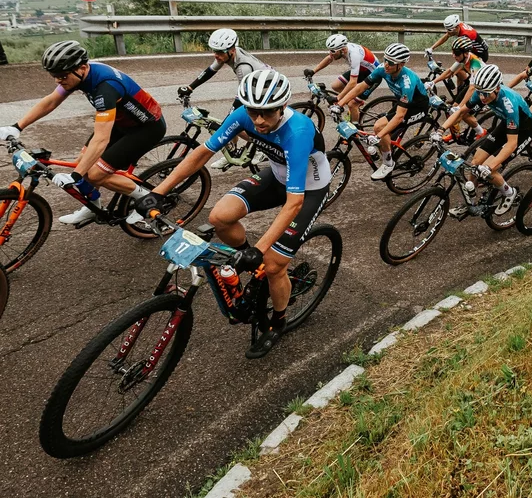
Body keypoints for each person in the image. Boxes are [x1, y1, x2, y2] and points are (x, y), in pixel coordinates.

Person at [140, 69, 331, 358]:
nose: (259, 120)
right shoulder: (243, 115)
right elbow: (202, 153)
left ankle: (278, 322)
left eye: (267, 113)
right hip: (277, 176)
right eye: (253, 112)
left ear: (282, 107)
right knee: (220, 217)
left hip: (309, 189)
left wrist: (260, 249)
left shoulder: (299, 131)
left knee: (274, 264)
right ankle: (251, 264)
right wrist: (158, 192)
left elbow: (294, 203)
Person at [0, 41, 165, 226]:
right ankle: (92, 208)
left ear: (83, 68)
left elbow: (101, 139)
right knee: (82, 162)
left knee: (94, 174)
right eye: (54, 76)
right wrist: (17, 126)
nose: (58, 81)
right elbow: (51, 101)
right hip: (121, 122)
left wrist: (75, 176)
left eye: (62, 76)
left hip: (146, 128)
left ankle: (147, 199)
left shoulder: (106, 88)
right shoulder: (78, 73)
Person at [441, 65, 532, 217]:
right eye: (480, 93)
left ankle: (509, 193)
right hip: (506, 124)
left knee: (489, 168)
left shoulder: (508, 104)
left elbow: (512, 144)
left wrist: (489, 167)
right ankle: (471, 203)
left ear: (497, 88)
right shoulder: (481, 92)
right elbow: (461, 112)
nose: (482, 97)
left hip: (523, 131)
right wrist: (440, 130)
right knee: (475, 163)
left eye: (486, 93)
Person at [334, 43, 430, 180]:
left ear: (401, 64)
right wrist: (340, 104)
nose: (386, 65)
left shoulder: (407, 82)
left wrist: (378, 136)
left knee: (379, 127)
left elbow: (399, 116)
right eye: (385, 60)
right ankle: (387, 146)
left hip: (417, 108)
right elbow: (361, 87)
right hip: (403, 102)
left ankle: (388, 163)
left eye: (390, 63)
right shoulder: (382, 68)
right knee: (383, 132)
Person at [179, 28, 270, 170]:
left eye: (220, 52)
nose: (216, 55)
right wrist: (190, 87)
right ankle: (231, 152)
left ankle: (262, 147)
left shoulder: (243, 67)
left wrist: (231, 117)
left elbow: (243, 96)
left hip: (266, 90)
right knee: (231, 122)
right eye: (214, 51)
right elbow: (210, 71)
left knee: (234, 122)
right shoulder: (227, 54)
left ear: (232, 50)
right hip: (252, 86)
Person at [305, 35, 376, 123]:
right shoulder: (341, 48)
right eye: (330, 50)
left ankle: (355, 128)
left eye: (333, 51)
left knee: (352, 104)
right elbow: (329, 58)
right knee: (336, 85)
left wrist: (338, 98)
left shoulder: (354, 55)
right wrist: (313, 71)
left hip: (373, 76)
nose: (330, 53)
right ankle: (354, 100)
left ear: (343, 50)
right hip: (361, 70)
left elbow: (352, 83)